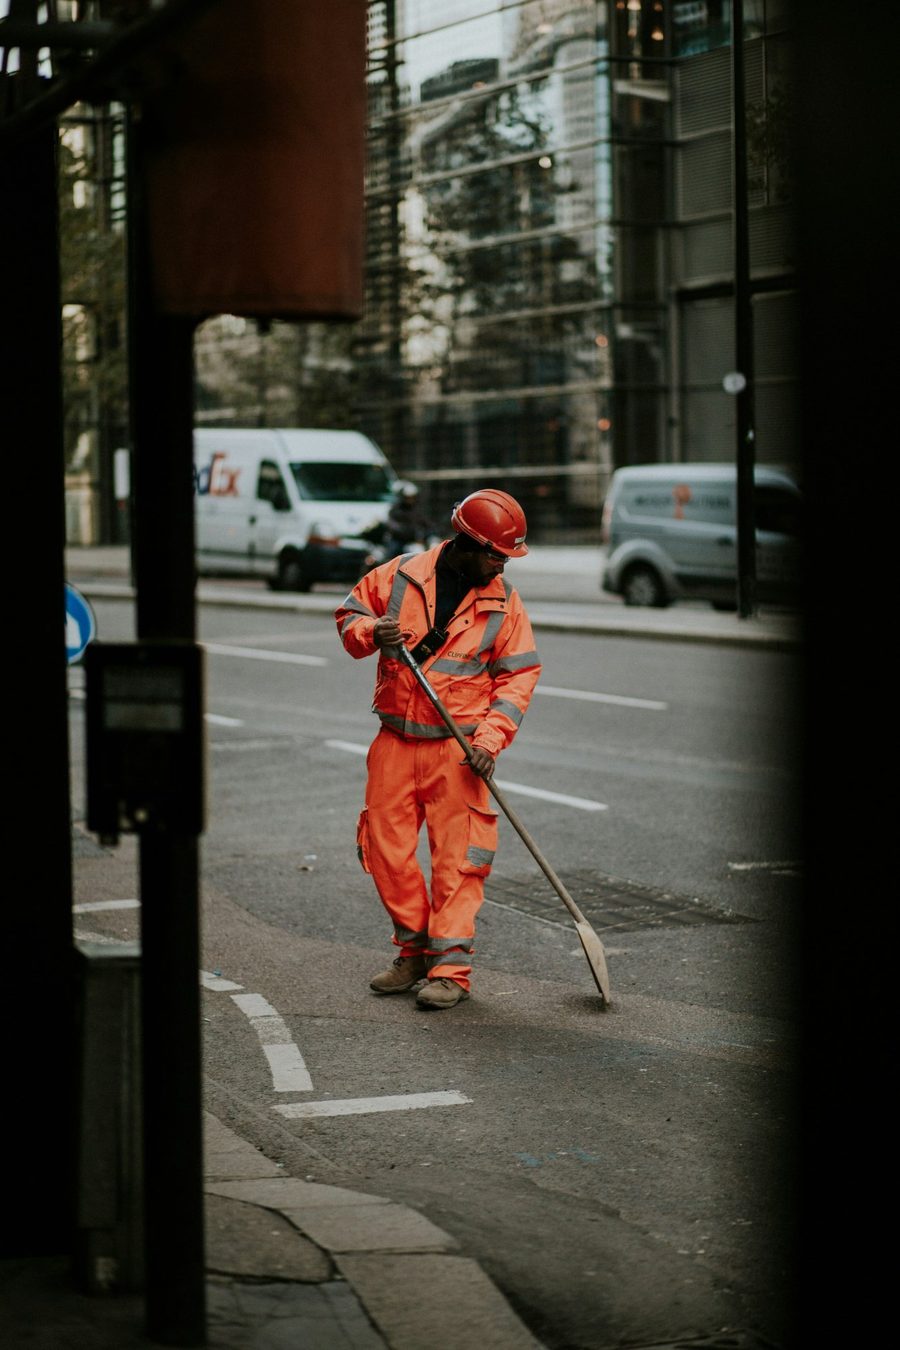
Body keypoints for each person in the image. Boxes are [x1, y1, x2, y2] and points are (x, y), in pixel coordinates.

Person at [334, 488, 541, 1010]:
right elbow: (349, 615)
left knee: (459, 862)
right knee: (387, 852)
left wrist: (490, 741)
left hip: (458, 749)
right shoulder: (400, 576)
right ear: (466, 542)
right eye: (495, 554)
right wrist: (368, 632)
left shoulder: (504, 602)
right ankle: (414, 951)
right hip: (395, 743)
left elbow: (517, 679)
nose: (501, 565)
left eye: (506, 557)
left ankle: (451, 970)